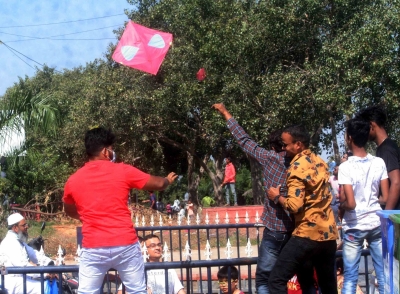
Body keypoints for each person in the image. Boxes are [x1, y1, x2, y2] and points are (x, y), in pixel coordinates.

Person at [212, 103, 315, 294]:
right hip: (299, 230)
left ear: (274, 147)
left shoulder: (270, 158)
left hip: (275, 229)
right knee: (305, 278)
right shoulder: (307, 163)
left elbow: (244, 140)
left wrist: (226, 113)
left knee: (265, 278)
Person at [63, 127, 178, 294]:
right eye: (111, 148)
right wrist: (167, 180)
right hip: (125, 243)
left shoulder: (73, 180)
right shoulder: (123, 171)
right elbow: (158, 184)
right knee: (137, 291)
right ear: (105, 151)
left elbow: (69, 210)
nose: (112, 151)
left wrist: (89, 218)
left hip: (93, 245)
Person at [267, 124, 338, 294]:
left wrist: (276, 196)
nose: (283, 148)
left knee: (276, 280)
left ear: (298, 145)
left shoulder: (297, 167)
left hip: (307, 233)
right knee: (327, 285)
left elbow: (294, 206)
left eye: (285, 144)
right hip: (328, 235)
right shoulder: (320, 162)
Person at [338, 118, 388, 294]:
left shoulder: (345, 167)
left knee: (350, 277)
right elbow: (386, 196)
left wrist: (341, 205)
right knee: (383, 275)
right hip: (376, 222)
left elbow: (351, 203)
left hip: (354, 225)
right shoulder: (379, 162)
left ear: (349, 138)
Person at [355, 105, 400, 209]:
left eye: (365, 128)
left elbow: (396, 182)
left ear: (372, 125)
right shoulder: (387, 146)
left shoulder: (386, 149)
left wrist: (387, 214)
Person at [0, 213, 53, 294]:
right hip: (12, 283)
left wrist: (50, 263)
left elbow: (34, 254)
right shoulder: (9, 242)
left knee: (48, 283)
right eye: (23, 225)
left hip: (21, 279)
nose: (26, 227)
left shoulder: (19, 241)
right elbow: (23, 265)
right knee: (44, 287)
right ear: (15, 228)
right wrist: (45, 273)